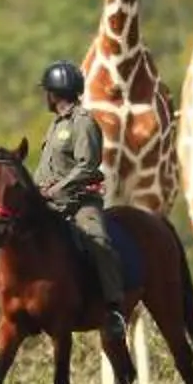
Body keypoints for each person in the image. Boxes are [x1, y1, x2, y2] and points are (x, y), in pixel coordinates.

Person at [32, 59, 128, 333]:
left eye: (46, 92)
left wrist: (58, 189)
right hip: (50, 204)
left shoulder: (83, 122)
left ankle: (113, 310)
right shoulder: (55, 125)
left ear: (54, 93)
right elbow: (46, 169)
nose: (45, 98)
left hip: (80, 202)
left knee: (98, 241)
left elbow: (87, 165)